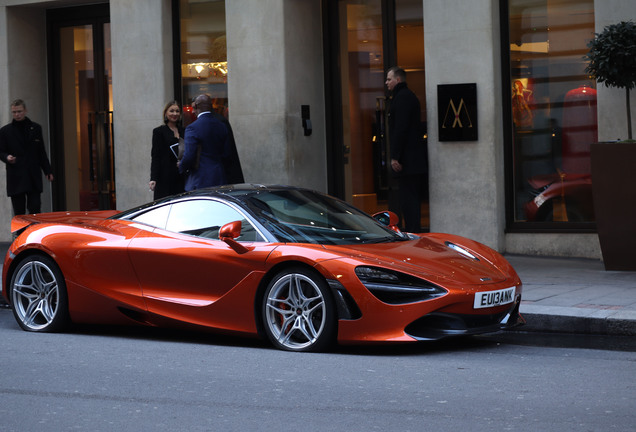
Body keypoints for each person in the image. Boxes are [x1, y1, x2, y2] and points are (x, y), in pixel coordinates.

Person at [385, 66, 428, 233]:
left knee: (408, 201)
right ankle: (412, 231)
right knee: (409, 200)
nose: (386, 82)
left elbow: (400, 129)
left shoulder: (402, 98)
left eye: (389, 79)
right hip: (411, 159)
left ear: (398, 80)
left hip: (408, 161)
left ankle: (412, 233)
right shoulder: (405, 97)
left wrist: (396, 156)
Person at [0, 99, 54, 215]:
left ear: (25, 111)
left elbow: (41, 152)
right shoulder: (5, 131)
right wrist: (7, 157)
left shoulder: (35, 128)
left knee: (35, 208)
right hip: (16, 176)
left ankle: (34, 232)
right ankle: (20, 233)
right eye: (14, 112)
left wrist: (47, 170)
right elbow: (1, 151)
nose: (17, 114)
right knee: (19, 212)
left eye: (19, 111)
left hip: (32, 175)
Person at [178, 94, 230, 190]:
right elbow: (226, 153)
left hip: (200, 180)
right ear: (210, 106)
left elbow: (189, 156)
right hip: (219, 178)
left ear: (196, 106)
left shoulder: (192, 128)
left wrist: (181, 166)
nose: (193, 112)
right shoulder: (221, 126)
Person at [149, 100, 185, 200]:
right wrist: (153, 178)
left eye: (177, 111)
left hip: (181, 176)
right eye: (172, 111)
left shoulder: (184, 131)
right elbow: (155, 156)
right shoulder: (159, 132)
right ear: (166, 113)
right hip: (165, 177)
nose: (175, 114)